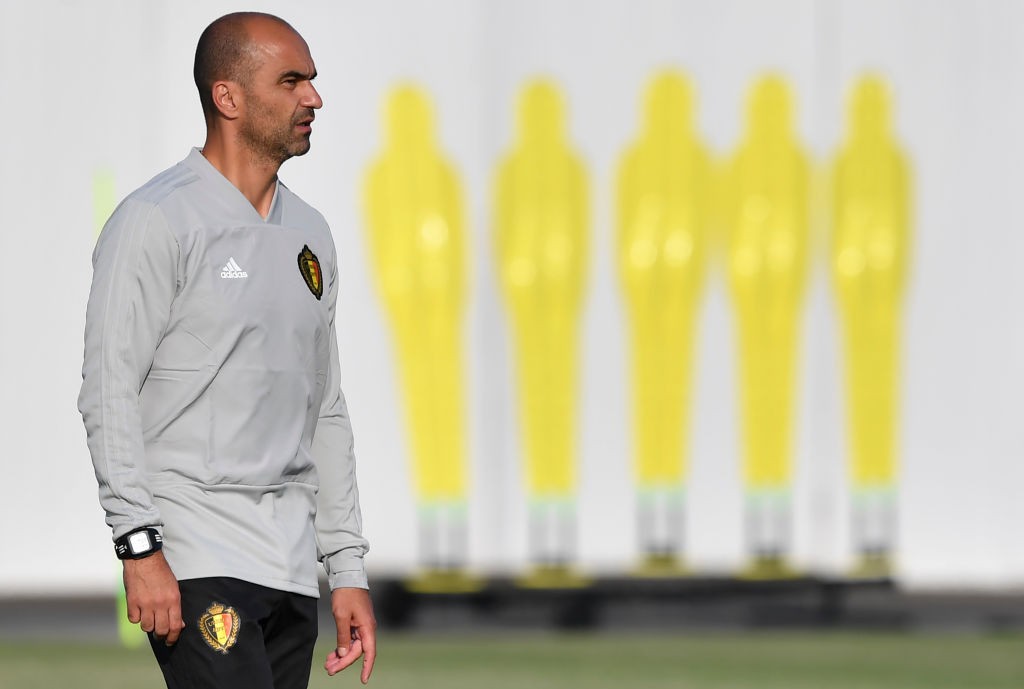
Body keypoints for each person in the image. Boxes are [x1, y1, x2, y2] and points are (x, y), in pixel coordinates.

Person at [78, 11, 376, 688]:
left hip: (292, 564)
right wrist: (139, 545)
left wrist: (347, 569)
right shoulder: (157, 220)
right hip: (196, 550)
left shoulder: (311, 235)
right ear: (229, 98)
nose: (314, 98)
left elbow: (323, 407)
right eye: (292, 80)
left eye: (313, 81)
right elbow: (108, 389)